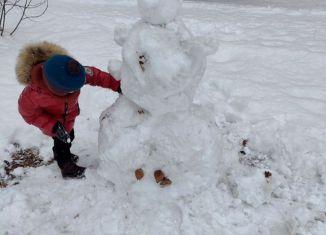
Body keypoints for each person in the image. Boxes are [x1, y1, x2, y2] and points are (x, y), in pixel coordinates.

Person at [16, 41, 121, 179]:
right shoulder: (32, 95)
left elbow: (96, 75)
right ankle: (66, 167)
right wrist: (52, 126)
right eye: (70, 90)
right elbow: (30, 115)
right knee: (62, 144)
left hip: (68, 116)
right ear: (54, 88)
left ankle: (65, 151)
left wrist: (118, 85)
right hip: (55, 122)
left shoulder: (72, 72)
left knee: (70, 136)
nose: (75, 91)